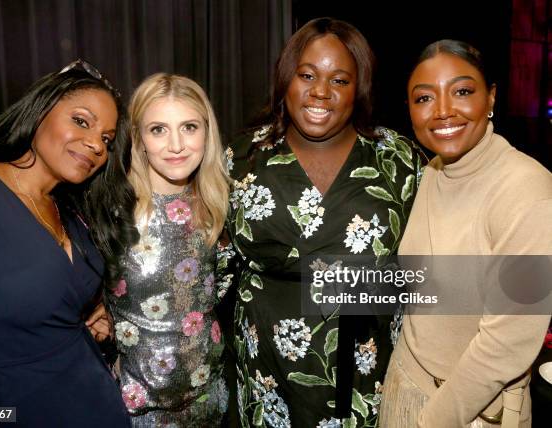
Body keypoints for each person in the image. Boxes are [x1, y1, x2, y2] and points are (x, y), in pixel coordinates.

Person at [224, 17, 422, 427]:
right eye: (308, 75)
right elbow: (210, 256)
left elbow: (434, 255)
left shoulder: (397, 156)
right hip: (267, 369)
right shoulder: (243, 156)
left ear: (359, 88)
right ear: (287, 80)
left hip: (368, 368)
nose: (320, 91)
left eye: (339, 80)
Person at [0, 59, 136, 427]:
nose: (96, 144)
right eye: (81, 121)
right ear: (40, 110)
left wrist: (91, 314)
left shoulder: (72, 212)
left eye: (107, 140)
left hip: (93, 403)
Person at [378, 40, 552, 428]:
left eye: (462, 91)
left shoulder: (528, 189)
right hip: (406, 387)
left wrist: (431, 422)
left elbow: (508, 345)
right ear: (409, 110)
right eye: (424, 98)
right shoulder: (434, 171)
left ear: (490, 97)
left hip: (470, 414)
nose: (443, 111)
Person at [105, 73, 230, 427]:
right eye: (158, 129)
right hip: (134, 410)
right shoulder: (113, 211)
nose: (176, 144)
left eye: (189, 127)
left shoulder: (220, 204)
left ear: (207, 133)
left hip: (210, 402)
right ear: (139, 139)